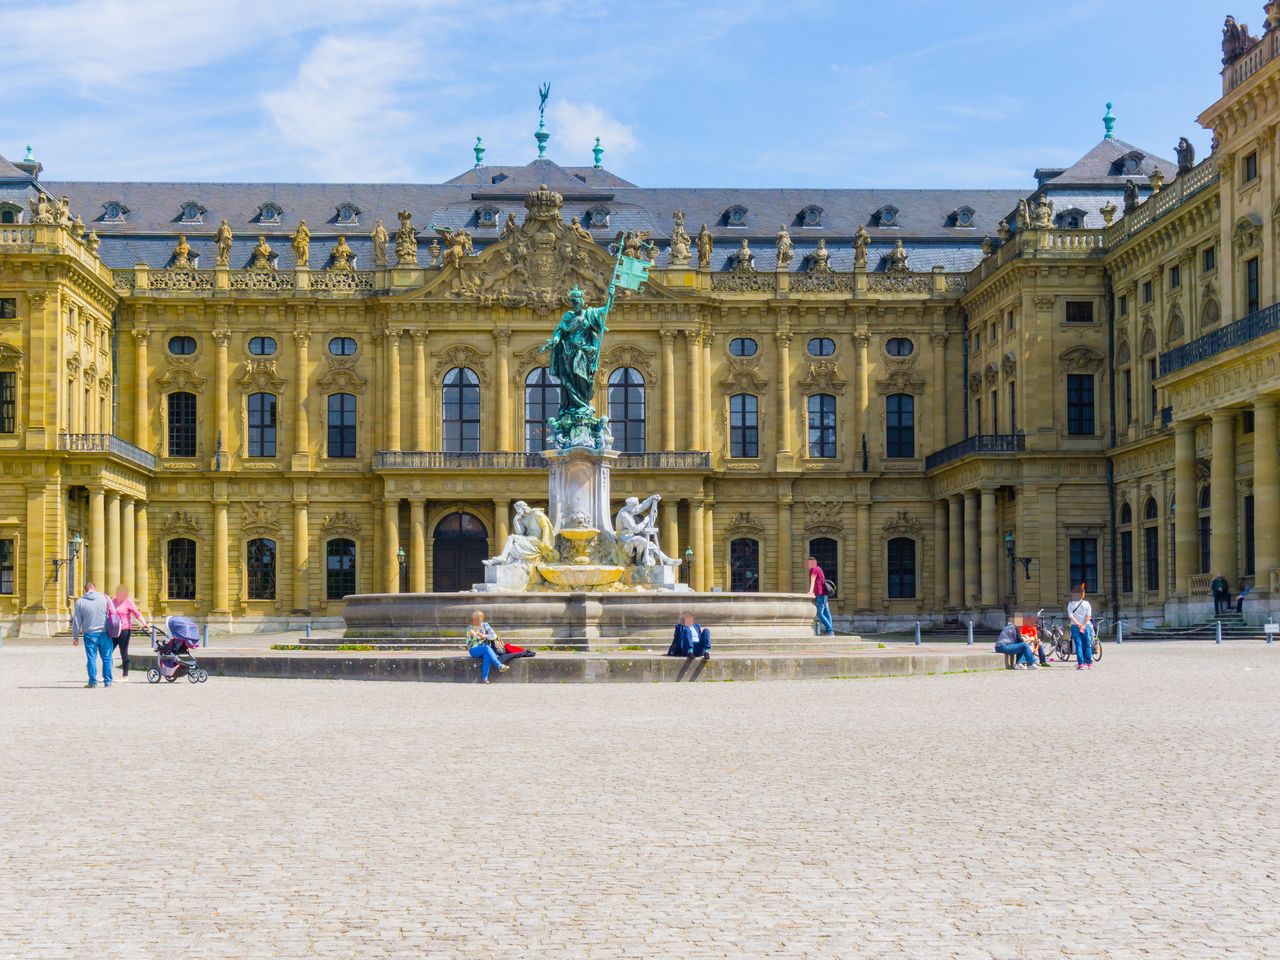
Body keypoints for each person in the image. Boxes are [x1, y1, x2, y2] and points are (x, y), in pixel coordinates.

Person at [72, 581, 114, 688]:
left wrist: (75, 636)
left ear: (85, 589)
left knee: (91, 658)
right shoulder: (105, 597)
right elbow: (113, 612)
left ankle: (93, 682)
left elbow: (77, 621)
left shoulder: (80, 602)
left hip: (89, 634)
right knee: (107, 658)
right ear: (94, 588)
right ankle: (108, 681)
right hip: (105, 633)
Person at [110, 586, 149, 681]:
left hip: (124, 630)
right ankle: (107, 674)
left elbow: (136, 613)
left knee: (123, 651)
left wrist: (144, 623)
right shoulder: (113, 601)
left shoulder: (128, 602)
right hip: (114, 629)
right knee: (108, 651)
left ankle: (125, 676)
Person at [465, 610, 509, 684]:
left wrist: (484, 636)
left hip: (485, 649)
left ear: (482, 619)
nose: (476, 621)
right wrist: (473, 636)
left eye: (478, 619)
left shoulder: (485, 625)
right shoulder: (470, 628)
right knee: (486, 648)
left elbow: (494, 635)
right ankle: (499, 665)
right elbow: (468, 643)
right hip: (474, 650)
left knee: (487, 656)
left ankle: (485, 678)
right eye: (475, 618)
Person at [1067, 585, 1094, 670]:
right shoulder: (1086, 604)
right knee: (1087, 645)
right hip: (1087, 626)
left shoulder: (1070, 604)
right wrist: (1083, 625)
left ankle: (1081, 664)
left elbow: (1071, 616)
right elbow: (1088, 616)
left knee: (1078, 645)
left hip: (1075, 626)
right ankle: (1089, 664)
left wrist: (1078, 625)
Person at [808, 557, 833, 636]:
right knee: (827, 613)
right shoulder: (819, 568)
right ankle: (829, 631)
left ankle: (830, 630)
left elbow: (813, 580)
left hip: (820, 594)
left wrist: (811, 591)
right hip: (824, 594)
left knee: (820, 613)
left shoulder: (814, 569)